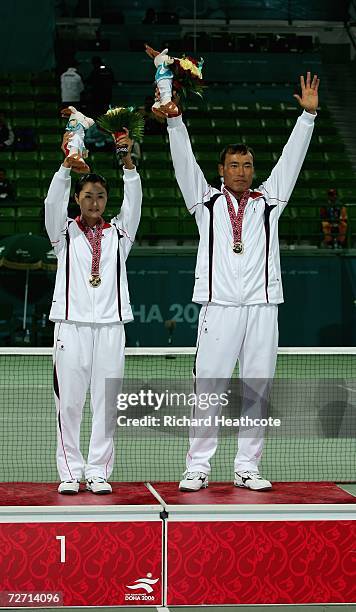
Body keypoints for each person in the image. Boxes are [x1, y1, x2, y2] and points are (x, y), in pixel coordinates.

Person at [166, 72, 319, 491]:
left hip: (262, 308)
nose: (242, 171)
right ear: (222, 169)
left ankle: (247, 466)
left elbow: (291, 161)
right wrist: (175, 123)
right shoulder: (206, 202)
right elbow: (184, 164)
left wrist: (306, 117)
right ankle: (198, 466)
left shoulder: (270, 202)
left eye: (248, 165)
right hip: (219, 308)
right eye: (234, 165)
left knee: (257, 389)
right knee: (209, 390)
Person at [45, 129, 142, 495]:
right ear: (78, 199)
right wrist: (65, 168)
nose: (96, 202)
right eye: (89, 196)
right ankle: (70, 471)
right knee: (68, 405)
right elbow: (51, 206)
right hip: (71, 328)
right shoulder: (63, 234)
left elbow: (134, 203)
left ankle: (98, 471)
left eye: (101, 196)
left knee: (107, 405)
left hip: (111, 329)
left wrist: (128, 165)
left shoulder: (121, 234)